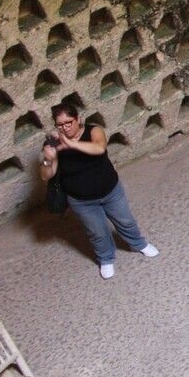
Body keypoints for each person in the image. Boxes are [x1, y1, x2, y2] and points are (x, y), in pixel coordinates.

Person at [39, 102, 159, 279]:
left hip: (110, 191)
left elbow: (99, 148)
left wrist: (71, 144)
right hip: (82, 201)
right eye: (60, 125)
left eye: (68, 122)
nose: (65, 128)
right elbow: (45, 175)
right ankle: (106, 258)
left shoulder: (93, 131)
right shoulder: (55, 144)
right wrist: (48, 160)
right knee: (97, 232)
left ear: (78, 119)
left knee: (125, 220)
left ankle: (139, 244)